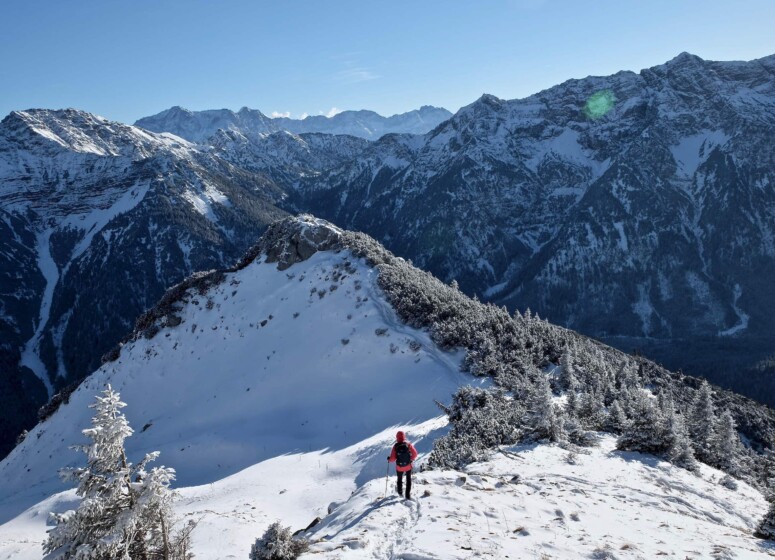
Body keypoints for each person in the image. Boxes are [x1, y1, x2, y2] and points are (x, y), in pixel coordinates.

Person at [387, 430, 418, 499]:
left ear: (397, 437)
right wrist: (410, 459)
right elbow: (415, 454)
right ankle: (407, 495)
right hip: (408, 466)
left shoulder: (395, 446)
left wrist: (389, 459)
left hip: (399, 467)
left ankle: (400, 493)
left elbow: (392, 459)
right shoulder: (408, 444)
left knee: (399, 479)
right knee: (408, 480)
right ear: (404, 437)